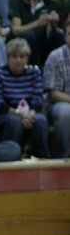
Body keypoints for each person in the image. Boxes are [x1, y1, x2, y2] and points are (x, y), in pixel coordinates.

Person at [0, 38, 49, 158]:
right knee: (14, 121)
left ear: (27, 58)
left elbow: (38, 99)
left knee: (40, 120)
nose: (18, 60)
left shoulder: (34, 72)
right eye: (14, 56)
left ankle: (42, 156)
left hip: (29, 112)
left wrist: (30, 114)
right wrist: (20, 114)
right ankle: (10, 156)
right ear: (8, 57)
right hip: (1, 113)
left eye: (22, 56)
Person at [9, 0, 65, 67]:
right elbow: (16, 30)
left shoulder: (52, 1)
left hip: (41, 42)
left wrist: (54, 23)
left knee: (59, 35)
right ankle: (36, 73)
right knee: (29, 35)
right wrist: (38, 23)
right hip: (21, 43)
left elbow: (51, 33)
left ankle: (60, 71)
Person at [43, 17, 70, 158]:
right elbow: (53, 93)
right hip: (60, 104)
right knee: (65, 111)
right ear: (65, 36)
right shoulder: (55, 56)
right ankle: (64, 155)